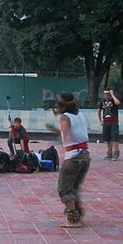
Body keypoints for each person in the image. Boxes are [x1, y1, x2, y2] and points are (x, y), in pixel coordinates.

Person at [46, 92, 90, 228]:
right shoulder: (80, 115)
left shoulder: (65, 118)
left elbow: (64, 133)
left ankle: (73, 219)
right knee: (75, 187)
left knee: (65, 188)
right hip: (85, 155)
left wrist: (54, 129)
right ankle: (79, 216)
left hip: (73, 157)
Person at [97, 88, 121, 160]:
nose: (106, 96)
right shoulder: (102, 102)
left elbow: (118, 103)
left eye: (108, 94)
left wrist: (112, 94)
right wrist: (100, 120)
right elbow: (99, 111)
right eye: (105, 94)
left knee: (115, 137)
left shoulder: (114, 100)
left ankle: (116, 153)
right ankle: (109, 153)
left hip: (113, 121)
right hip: (106, 121)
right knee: (107, 138)